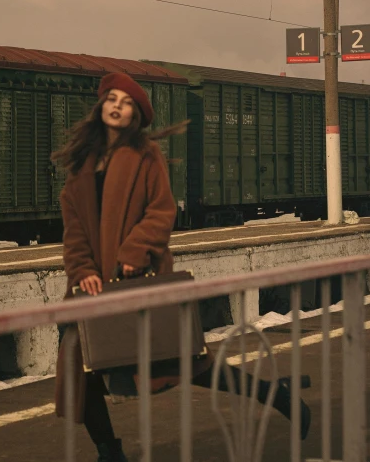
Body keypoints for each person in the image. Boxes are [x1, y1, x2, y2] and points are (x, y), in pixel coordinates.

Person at [53, 73, 310, 462]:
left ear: (136, 115)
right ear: (101, 105)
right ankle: (109, 451)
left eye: (127, 101)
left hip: (138, 278)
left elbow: (161, 211)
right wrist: (82, 269)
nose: (117, 105)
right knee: (79, 366)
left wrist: (133, 253)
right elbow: (73, 229)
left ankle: (276, 395)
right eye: (112, 98)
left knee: (191, 364)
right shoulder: (82, 163)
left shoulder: (145, 155)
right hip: (90, 286)